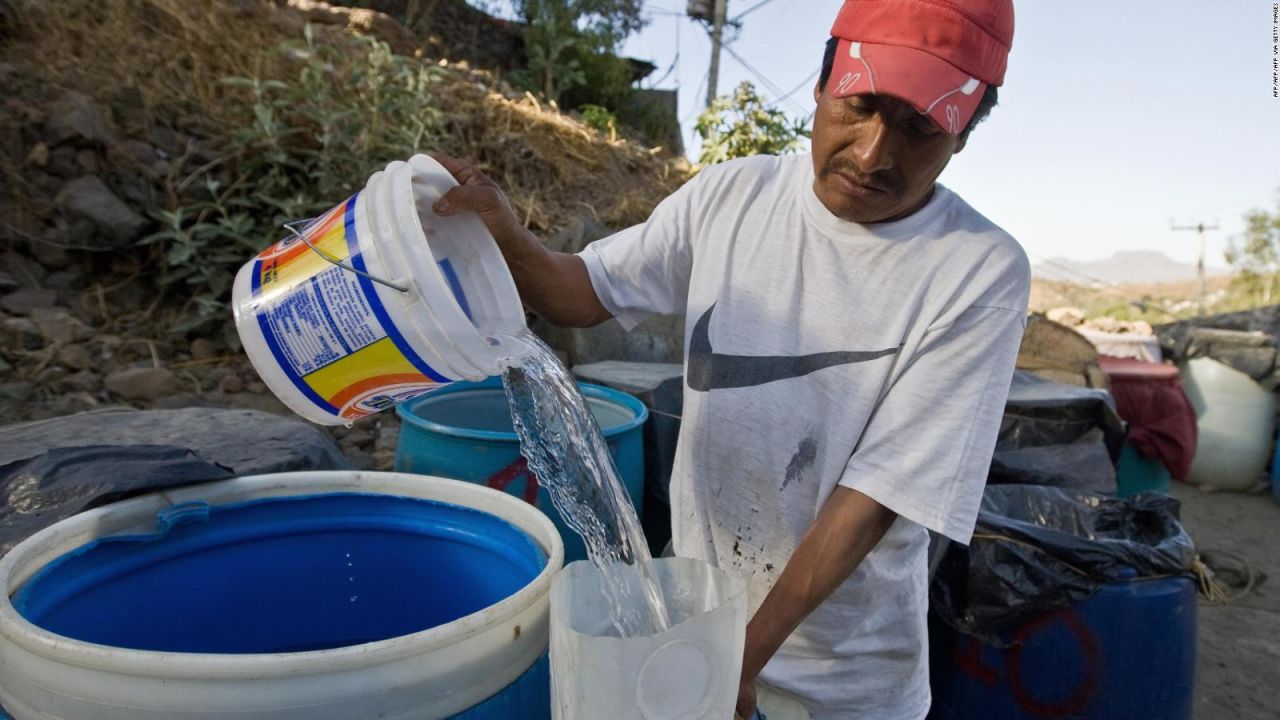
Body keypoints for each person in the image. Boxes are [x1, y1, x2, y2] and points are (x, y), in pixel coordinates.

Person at [431, 0, 1027, 717]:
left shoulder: (977, 271)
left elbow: (876, 498)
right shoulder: (733, 196)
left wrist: (740, 657)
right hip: (697, 635)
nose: (873, 154)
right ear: (822, 82)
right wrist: (502, 229)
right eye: (860, 106)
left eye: (919, 128)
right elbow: (581, 293)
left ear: (962, 135)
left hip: (840, 683)